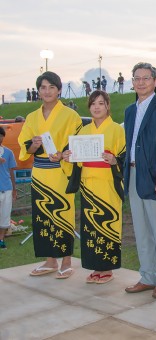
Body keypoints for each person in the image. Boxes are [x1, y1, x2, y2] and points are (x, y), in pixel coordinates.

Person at [18, 71, 83, 278]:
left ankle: (66, 260)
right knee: (42, 216)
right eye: (43, 87)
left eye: (51, 87)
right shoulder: (31, 117)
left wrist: (63, 154)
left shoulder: (71, 116)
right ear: (38, 91)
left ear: (59, 90)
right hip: (39, 173)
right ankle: (49, 260)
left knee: (62, 214)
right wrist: (33, 145)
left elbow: (76, 143)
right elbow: (24, 146)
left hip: (61, 171)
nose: (47, 91)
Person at [62, 90, 125, 284]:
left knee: (107, 223)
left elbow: (124, 156)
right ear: (89, 107)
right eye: (93, 104)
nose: (97, 107)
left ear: (108, 106)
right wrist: (68, 157)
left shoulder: (117, 129)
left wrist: (114, 159)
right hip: (88, 184)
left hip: (107, 184)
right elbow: (75, 159)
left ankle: (106, 268)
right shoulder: (84, 131)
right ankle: (95, 266)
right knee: (91, 227)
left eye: (101, 103)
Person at [123, 62, 156, 299]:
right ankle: (147, 276)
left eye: (146, 78)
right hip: (133, 173)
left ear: (155, 81)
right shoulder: (129, 111)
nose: (141, 82)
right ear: (132, 82)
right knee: (141, 229)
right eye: (137, 78)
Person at [0, 126, 17, 249]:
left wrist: (14, 189)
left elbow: (11, 171)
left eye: (1, 135)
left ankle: (1, 239)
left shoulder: (8, 152)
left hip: (6, 187)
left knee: (5, 215)